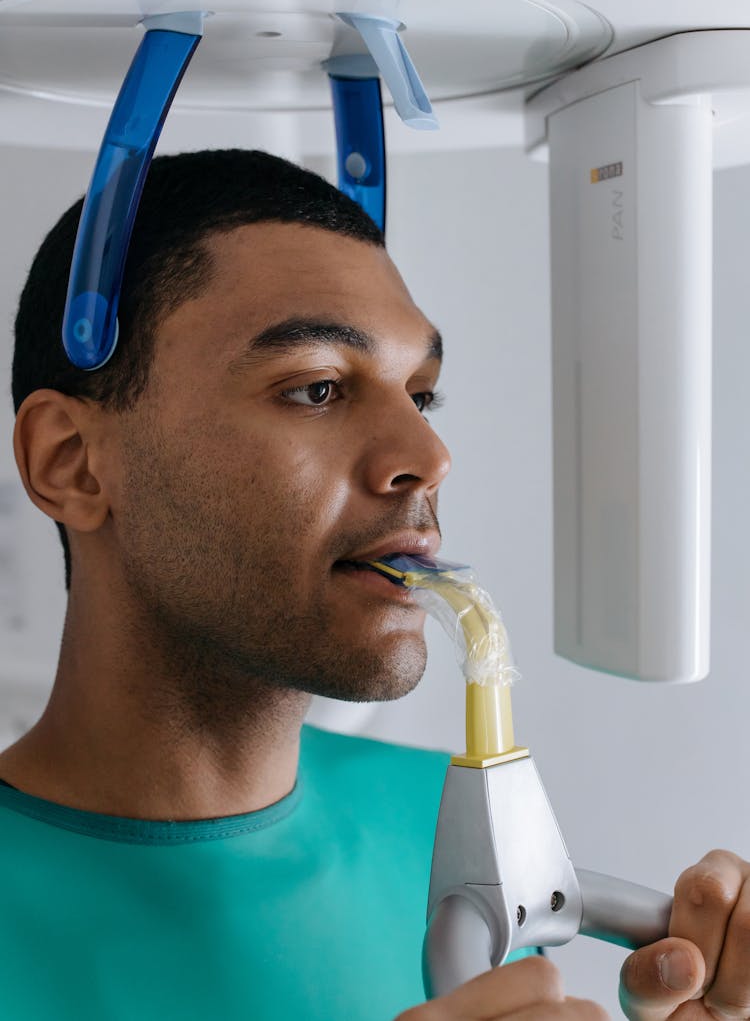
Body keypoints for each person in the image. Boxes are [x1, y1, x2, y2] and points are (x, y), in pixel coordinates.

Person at [1, 148, 747, 1021]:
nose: (428, 458)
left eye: (421, 395)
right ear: (73, 463)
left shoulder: (447, 825)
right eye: (317, 386)